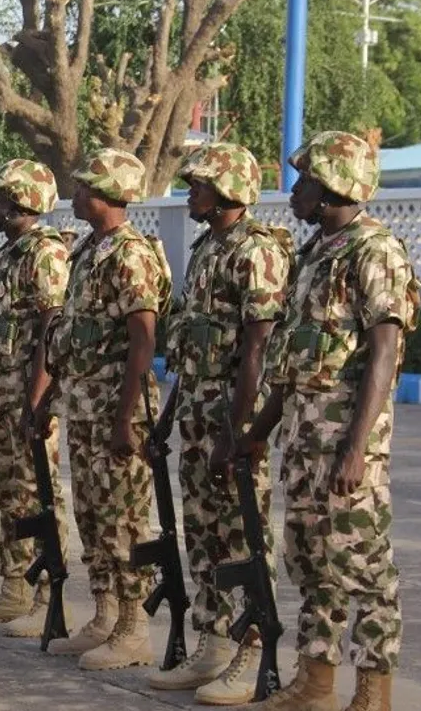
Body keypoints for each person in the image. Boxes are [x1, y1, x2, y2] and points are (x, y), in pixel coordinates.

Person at [238, 131, 418, 711]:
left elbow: (384, 353)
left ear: (333, 186)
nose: (295, 190)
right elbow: (292, 365)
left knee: (364, 568)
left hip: (345, 444)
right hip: (303, 441)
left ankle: (372, 693)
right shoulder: (316, 252)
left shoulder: (375, 251)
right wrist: (259, 432)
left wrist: (356, 449)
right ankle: (313, 684)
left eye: (306, 180)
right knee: (313, 563)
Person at [148, 143, 288, 703]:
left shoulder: (257, 252)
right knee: (202, 532)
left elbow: (256, 349)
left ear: (230, 190)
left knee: (241, 536)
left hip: (232, 419)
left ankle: (252, 649)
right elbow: (191, 348)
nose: (191, 194)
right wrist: (168, 416)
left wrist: (239, 432)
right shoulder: (209, 247)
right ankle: (212, 643)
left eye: (200, 185)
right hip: (196, 415)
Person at [45, 148, 170, 670]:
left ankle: (134, 626)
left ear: (105, 193)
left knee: (124, 519)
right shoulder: (87, 252)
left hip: (118, 410)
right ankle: (104, 613)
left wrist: (125, 418)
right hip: (84, 405)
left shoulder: (130, 254)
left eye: (82, 186)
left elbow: (143, 338)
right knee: (94, 515)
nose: (73, 195)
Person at [0, 160, 70, 638]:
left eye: (3, 199)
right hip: (1, 394)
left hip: (27, 397)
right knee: (8, 491)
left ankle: (46, 592)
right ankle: (15, 588)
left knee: (36, 493)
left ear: (23, 203)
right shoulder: (9, 254)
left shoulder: (44, 254)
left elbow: (50, 330)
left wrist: (36, 402)